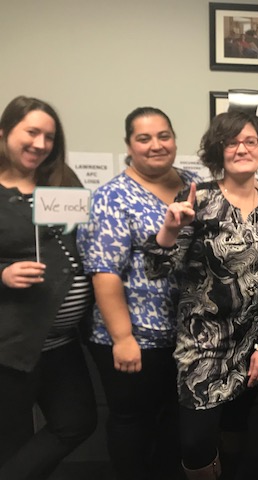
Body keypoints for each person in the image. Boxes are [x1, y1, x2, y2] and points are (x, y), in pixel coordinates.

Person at [144, 111, 258, 480]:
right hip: (201, 345)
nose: (242, 148)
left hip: (251, 347)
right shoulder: (197, 200)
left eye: (250, 141)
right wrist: (169, 230)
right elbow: (158, 269)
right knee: (195, 443)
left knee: (236, 428)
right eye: (231, 142)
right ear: (218, 151)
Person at [77, 107, 199, 480]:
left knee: (174, 422)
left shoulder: (193, 186)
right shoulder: (112, 197)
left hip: (185, 337)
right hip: (134, 338)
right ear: (129, 145)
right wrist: (123, 337)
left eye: (163, 136)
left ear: (175, 139)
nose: (156, 145)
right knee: (133, 421)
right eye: (144, 138)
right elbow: (105, 274)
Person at [0, 96, 97, 478]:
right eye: (32, 132)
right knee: (14, 440)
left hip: (62, 342)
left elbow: (80, 243)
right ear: (5, 132)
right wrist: (3, 275)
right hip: (12, 343)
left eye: (50, 137)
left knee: (77, 421)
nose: (41, 144)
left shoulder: (63, 182)